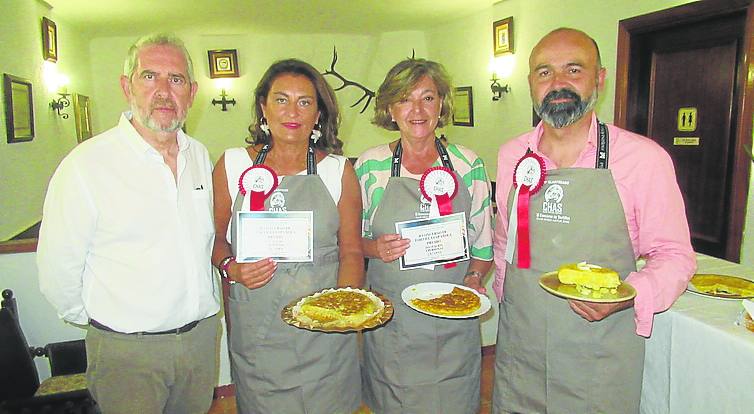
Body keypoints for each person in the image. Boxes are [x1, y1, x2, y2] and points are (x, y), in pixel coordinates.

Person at [491, 28, 696, 413]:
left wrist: (629, 296)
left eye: (573, 69)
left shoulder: (643, 159)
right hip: (522, 350)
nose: (558, 84)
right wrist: (508, 301)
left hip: (597, 351)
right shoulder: (511, 155)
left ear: (599, 78)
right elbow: (506, 240)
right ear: (531, 83)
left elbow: (674, 255)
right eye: (544, 72)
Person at [37, 33, 220, 414]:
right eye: (150, 76)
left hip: (200, 343)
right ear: (127, 86)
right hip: (128, 354)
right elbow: (58, 271)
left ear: (192, 92)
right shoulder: (86, 166)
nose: (164, 91)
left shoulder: (200, 156)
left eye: (176, 79)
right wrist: (110, 326)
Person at [211, 59, 364, 414]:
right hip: (260, 338)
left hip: (325, 336)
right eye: (281, 100)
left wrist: (341, 311)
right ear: (263, 106)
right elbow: (217, 242)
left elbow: (352, 253)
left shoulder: (337, 171)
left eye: (305, 101)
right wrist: (231, 267)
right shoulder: (233, 165)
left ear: (318, 113)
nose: (292, 111)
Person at [355, 58, 494, 414]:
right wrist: (375, 248)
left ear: (442, 104)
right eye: (404, 98)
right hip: (392, 324)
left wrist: (475, 277)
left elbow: (483, 244)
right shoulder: (370, 166)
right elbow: (349, 242)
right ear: (390, 107)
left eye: (428, 98)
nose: (417, 109)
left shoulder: (468, 163)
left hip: (452, 320)